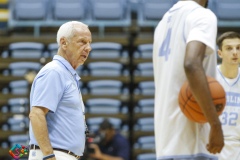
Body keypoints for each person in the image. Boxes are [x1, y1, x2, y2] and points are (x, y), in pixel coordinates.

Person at [153, 0, 224, 159]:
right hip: (193, 142)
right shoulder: (202, 15)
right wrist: (215, 124)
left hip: (165, 144)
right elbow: (192, 64)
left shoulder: (162, 23)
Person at [28, 21, 92, 160]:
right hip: (54, 155)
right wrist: (49, 156)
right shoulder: (54, 72)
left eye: (89, 43)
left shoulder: (66, 74)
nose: (88, 48)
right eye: (82, 42)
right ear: (64, 43)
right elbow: (37, 114)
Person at [216, 31, 240, 160]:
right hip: (213, 145)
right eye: (229, 48)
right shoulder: (210, 78)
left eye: (238, 48)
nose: (235, 52)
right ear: (220, 53)